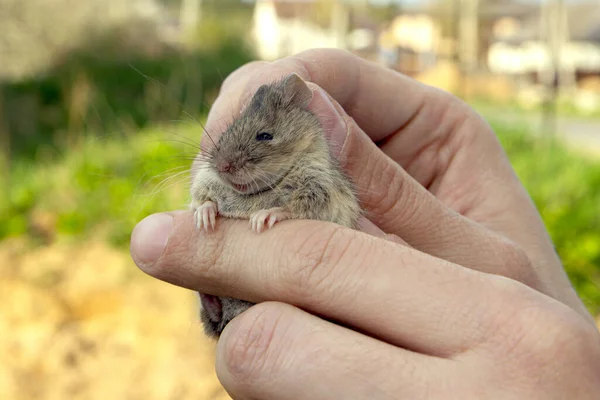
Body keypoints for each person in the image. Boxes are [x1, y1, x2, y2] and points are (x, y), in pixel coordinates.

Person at [129, 49, 600, 399]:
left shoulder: (314, 161)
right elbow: (209, 184)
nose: (232, 159)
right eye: (230, 142)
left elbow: (322, 202)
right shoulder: (225, 165)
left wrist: (288, 211)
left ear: (306, 129)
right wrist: (207, 201)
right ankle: (215, 307)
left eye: (265, 138)